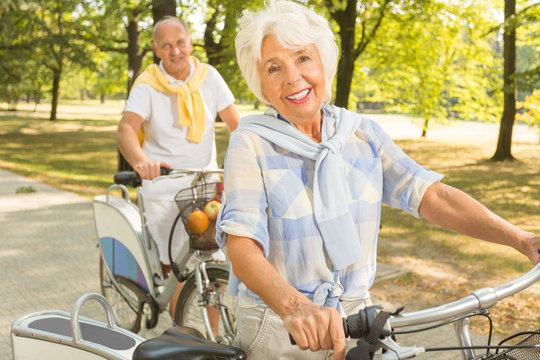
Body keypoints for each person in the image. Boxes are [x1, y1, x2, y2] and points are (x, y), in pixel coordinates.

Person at [214, 1, 540, 359]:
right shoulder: (251, 142)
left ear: (323, 61)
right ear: (260, 81)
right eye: (274, 67)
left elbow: (433, 196)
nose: (293, 77)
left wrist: (522, 240)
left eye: (303, 58)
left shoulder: (361, 133)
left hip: (359, 324)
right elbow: (241, 244)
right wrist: (295, 308)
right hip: (283, 330)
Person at [117, 16, 240, 316]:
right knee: (177, 269)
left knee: (213, 262)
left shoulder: (209, 77)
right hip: (163, 186)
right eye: (166, 45)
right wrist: (141, 162)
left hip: (205, 184)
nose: (175, 51)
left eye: (180, 43)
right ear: (156, 49)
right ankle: (180, 339)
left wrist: (248, 158)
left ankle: (214, 340)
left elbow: (236, 125)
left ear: (190, 42)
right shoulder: (147, 84)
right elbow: (125, 130)